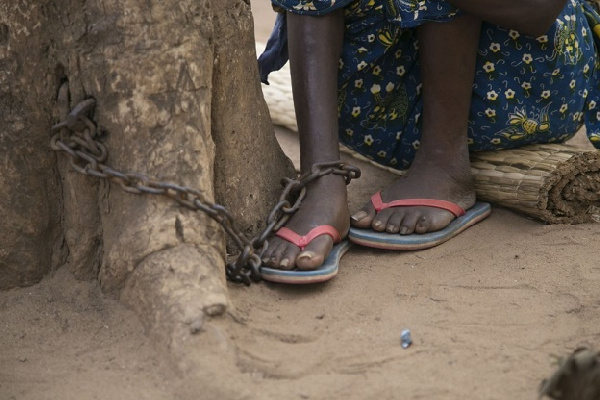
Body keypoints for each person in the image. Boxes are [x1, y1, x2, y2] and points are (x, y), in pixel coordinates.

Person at [257, 0, 600, 283]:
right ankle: (322, 179)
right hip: (382, 106)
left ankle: (443, 161)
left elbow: (538, 11)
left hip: (529, 83)